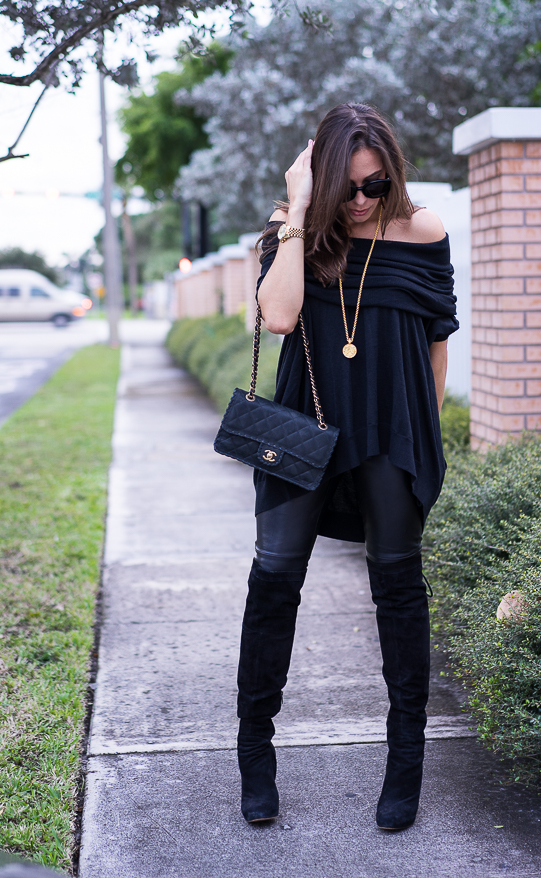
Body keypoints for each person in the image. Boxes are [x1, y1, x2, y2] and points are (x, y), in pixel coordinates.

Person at [236, 102, 458, 831]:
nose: (362, 201)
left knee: (399, 588)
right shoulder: (294, 234)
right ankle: (255, 756)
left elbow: (434, 339)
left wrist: (429, 431)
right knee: (273, 579)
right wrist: (301, 207)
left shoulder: (424, 235)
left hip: (393, 431)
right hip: (305, 427)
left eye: (376, 186)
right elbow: (277, 317)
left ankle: (404, 767)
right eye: (350, 188)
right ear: (325, 180)